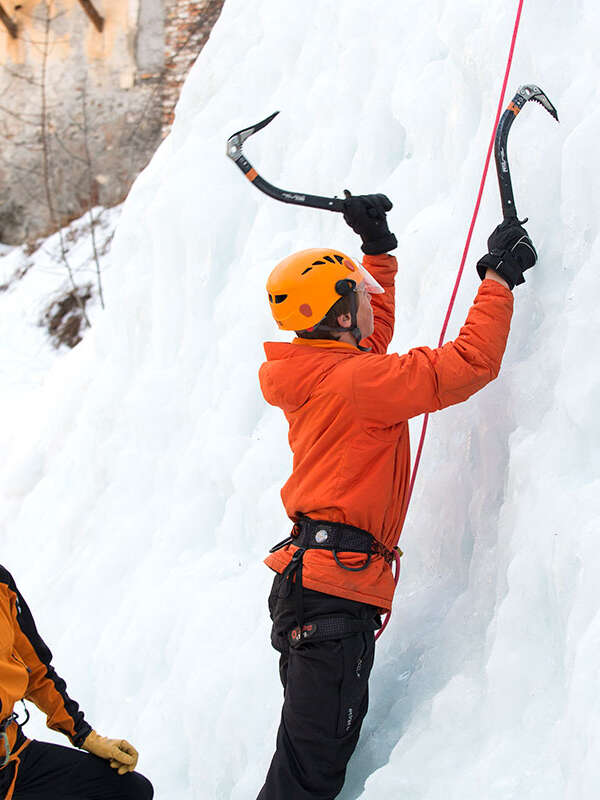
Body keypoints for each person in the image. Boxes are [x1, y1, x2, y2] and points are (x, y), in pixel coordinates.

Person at [256, 192, 537, 799]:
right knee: (305, 781)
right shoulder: (357, 382)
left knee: (306, 766)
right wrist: (498, 279)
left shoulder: (318, 370)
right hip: (331, 596)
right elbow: (468, 364)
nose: (368, 299)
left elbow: (368, 337)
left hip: (314, 587)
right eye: (357, 294)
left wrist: (376, 253)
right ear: (337, 315)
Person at [0, 564, 153, 800]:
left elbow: (38, 672)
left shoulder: (1, 584)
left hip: (10, 758)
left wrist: (85, 735)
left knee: (128, 790)